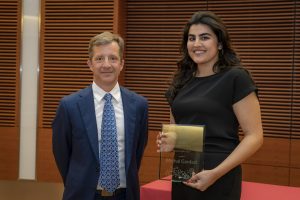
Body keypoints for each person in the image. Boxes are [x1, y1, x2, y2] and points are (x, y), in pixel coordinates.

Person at [157, 11, 263, 200]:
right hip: (184, 172)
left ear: (219, 43)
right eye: (191, 38)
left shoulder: (236, 78)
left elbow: (255, 136)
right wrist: (169, 140)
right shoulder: (180, 82)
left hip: (219, 173)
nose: (197, 44)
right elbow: (178, 132)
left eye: (204, 37)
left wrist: (215, 173)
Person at [52, 31, 148, 200]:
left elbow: (137, 153)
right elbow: (61, 154)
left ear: (121, 64)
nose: (106, 64)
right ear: (90, 64)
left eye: (113, 58)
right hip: (82, 194)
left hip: (125, 195)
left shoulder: (139, 105)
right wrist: (77, 182)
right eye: (99, 58)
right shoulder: (69, 106)